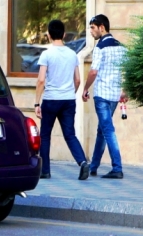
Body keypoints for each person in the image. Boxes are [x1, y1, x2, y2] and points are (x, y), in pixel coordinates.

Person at [34, 19, 89, 180]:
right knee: (70, 134)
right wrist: (71, 93)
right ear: (64, 35)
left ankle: (45, 170)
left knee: (45, 135)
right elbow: (78, 80)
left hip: (51, 100)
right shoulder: (72, 54)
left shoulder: (47, 54)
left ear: (49, 35)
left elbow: (41, 80)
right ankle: (83, 162)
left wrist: (37, 103)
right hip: (68, 100)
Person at [82, 14, 128, 179]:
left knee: (107, 130)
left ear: (102, 27)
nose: (91, 31)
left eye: (92, 28)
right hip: (115, 95)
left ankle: (117, 168)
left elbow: (93, 71)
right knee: (102, 130)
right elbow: (129, 71)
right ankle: (93, 166)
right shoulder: (122, 47)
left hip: (102, 94)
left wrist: (85, 88)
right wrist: (126, 91)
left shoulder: (100, 47)